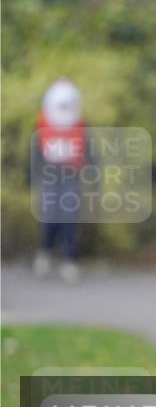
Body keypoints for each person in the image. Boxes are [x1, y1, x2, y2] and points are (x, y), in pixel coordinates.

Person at [32, 78, 87, 283]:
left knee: (69, 218)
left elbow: (88, 152)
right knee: (50, 217)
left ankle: (70, 260)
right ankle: (45, 253)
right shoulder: (42, 126)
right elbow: (36, 156)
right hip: (51, 177)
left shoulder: (80, 127)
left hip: (71, 176)